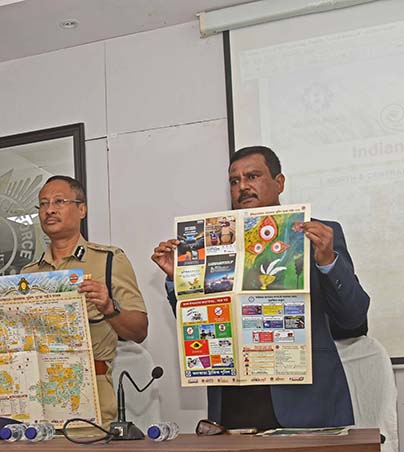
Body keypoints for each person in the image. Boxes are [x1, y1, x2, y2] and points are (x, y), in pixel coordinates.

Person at [151, 146, 370, 429]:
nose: (243, 187)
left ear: (279, 183)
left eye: (253, 176)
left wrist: (328, 261)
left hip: (306, 402)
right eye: (234, 180)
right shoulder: (214, 241)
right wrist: (177, 280)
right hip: (234, 403)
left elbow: (354, 317)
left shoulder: (320, 235)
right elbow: (196, 324)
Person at [0, 175, 149, 426]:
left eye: (59, 201)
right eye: (43, 204)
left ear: (81, 209)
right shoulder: (28, 274)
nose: (49, 210)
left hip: (87, 394)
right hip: (31, 397)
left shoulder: (109, 260)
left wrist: (109, 307)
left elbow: (139, 330)